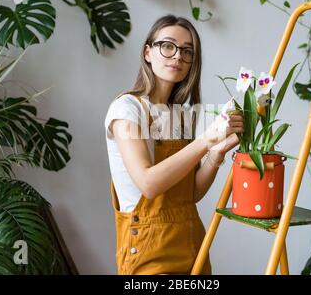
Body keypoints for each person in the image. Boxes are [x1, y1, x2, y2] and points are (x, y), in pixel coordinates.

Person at [104, 14, 243, 275]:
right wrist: (206, 140)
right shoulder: (126, 109)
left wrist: (217, 152)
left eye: (187, 51)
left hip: (190, 241)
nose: (177, 56)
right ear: (148, 52)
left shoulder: (179, 114)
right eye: (168, 46)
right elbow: (149, 183)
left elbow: (189, 194)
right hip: (149, 248)